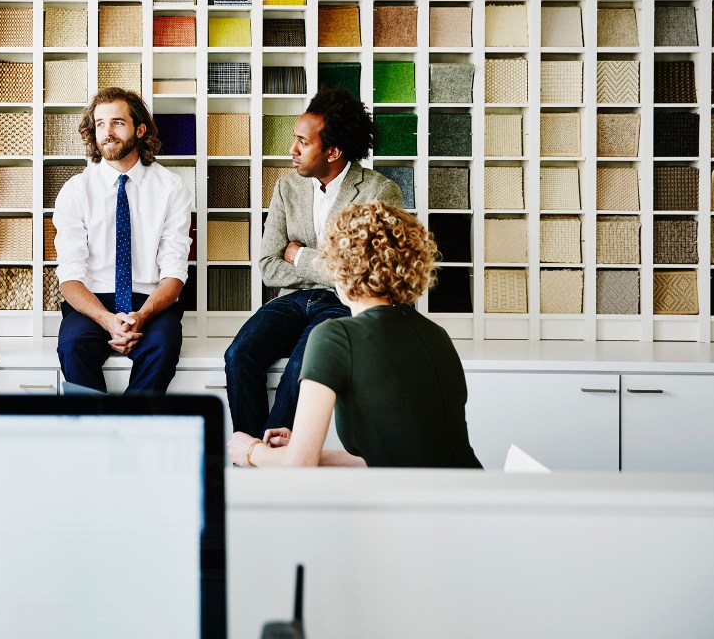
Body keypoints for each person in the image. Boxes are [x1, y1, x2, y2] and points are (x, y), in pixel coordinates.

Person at [228, 202, 482, 469]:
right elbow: (394, 460)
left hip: (415, 504)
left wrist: (251, 451)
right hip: (466, 494)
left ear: (338, 264)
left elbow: (299, 464)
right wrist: (304, 450)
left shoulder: (334, 335)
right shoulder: (435, 334)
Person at [223, 86, 402, 438]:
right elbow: (268, 265)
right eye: (295, 139)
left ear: (332, 151)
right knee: (237, 355)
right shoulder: (287, 187)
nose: (292, 150)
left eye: (303, 143)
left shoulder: (379, 192)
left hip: (344, 305)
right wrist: (332, 263)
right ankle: (250, 454)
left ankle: (271, 462)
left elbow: (368, 274)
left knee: (301, 367)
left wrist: (299, 254)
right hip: (291, 300)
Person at [53, 87, 193, 394]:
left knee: (163, 349)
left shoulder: (172, 188)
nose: (107, 132)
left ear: (139, 130)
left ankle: (132, 431)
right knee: (72, 347)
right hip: (93, 302)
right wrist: (107, 320)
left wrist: (140, 317)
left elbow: (174, 271)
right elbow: (70, 276)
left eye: (117, 122)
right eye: (100, 124)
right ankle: (95, 434)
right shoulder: (75, 191)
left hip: (151, 303)